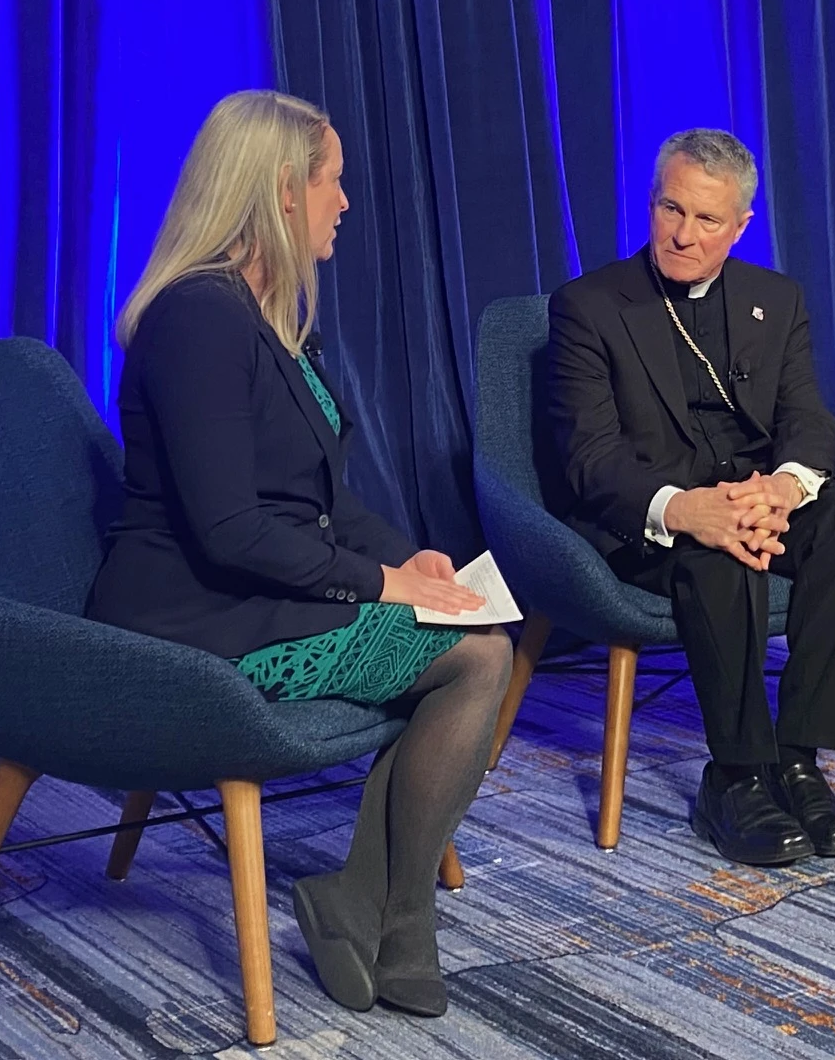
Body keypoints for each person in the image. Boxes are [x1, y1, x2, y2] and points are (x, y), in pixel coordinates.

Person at [86, 90, 510, 1019]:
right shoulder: (197, 319)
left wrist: (413, 564)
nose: (346, 201)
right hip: (192, 615)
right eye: (334, 181)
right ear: (283, 191)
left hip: (257, 589)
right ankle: (392, 913)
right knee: (477, 657)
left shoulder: (265, 314)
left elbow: (321, 501)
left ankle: (381, 911)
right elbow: (229, 530)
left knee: (467, 630)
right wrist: (381, 585)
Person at [545, 130, 835, 867]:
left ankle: (798, 759)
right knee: (718, 559)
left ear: (740, 227)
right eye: (671, 208)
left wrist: (782, 488)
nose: (682, 233)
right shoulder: (589, 305)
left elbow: (807, 416)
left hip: (753, 499)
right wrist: (682, 507)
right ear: (652, 203)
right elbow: (587, 457)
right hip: (655, 517)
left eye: (707, 220)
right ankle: (734, 776)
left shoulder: (777, 297)